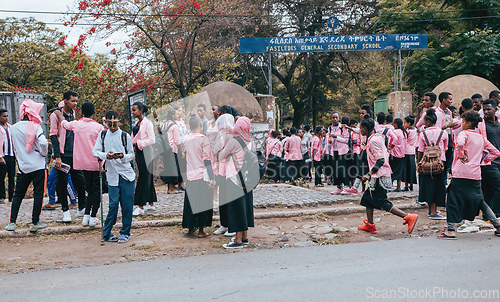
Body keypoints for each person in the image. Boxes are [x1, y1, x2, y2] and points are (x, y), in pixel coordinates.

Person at [440, 111, 500, 239]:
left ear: (468, 123)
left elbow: (460, 144)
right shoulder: (481, 138)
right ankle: (498, 226)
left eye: (462, 122)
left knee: (452, 200)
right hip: (475, 174)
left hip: (461, 173)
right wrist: (483, 160)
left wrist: (461, 156)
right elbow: (495, 153)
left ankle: (450, 230)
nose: (461, 124)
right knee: (481, 202)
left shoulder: (464, 134)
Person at [357, 118, 418, 234]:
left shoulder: (373, 140)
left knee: (381, 202)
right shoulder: (376, 137)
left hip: (380, 176)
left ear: (365, 128)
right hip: (378, 175)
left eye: (361, 128)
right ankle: (370, 225)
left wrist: (369, 174)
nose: (360, 130)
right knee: (367, 199)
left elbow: (380, 160)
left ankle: (408, 217)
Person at [54, 102, 104, 226]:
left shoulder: (77, 124)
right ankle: (92, 217)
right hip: (96, 162)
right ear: (94, 112)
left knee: (89, 190)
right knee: (96, 191)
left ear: (81, 113)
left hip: (82, 163)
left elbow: (64, 124)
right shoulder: (98, 127)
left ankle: (86, 216)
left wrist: (60, 116)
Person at [5, 99, 48, 232]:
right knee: (39, 194)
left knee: (18, 195)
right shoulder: (35, 126)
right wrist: (43, 152)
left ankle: (12, 223)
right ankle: (35, 222)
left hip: (23, 166)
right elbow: (43, 142)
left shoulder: (13, 128)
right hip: (38, 166)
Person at [93, 110, 135, 243]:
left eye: (114, 125)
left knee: (127, 206)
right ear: (105, 123)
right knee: (113, 205)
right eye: (109, 125)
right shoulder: (102, 135)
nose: (112, 128)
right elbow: (95, 152)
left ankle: (125, 232)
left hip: (126, 174)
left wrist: (122, 157)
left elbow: (131, 154)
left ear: (118, 122)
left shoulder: (125, 135)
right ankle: (107, 232)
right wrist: (106, 155)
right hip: (112, 175)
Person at [50, 90, 87, 222]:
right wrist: (58, 156)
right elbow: (53, 135)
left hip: (75, 153)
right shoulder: (56, 115)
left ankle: (82, 208)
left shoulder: (73, 113)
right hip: (63, 154)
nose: (75, 103)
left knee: (81, 182)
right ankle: (65, 211)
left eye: (76, 101)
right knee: (62, 182)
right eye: (73, 101)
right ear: (65, 101)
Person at [219, 117, 255, 249]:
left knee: (236, 209)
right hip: (247, 178)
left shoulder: (234, 141)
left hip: (234, 178)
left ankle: (238, 240)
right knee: (245, 207)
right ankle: (245, 237)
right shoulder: (250, 140)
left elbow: (222, 156)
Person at [182, 115, 214, 237]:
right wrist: (211, 177)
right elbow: (207, 159)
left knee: (191, 202)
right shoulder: (203, 139)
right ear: (200, 126)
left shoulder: (186, 139)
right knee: (203, 202)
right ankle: (201, 230)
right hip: (202, 175)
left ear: (190, 126)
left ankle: (190, 228)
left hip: (190, 174)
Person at [417, 108, 448, 220]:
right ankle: (434, 212)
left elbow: (420, 150)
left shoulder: (423, 133)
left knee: (428, 186)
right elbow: (445, 148)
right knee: (437, 186)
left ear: (428, 122)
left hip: (426, 164)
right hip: (439, 164)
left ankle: (431, 210)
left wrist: (419, 164)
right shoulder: (443, 133)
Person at [130, 102, 158, 216]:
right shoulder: (138, 123)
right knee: (147, 176)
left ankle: (140, 205)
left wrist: (138, 142)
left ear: (141, 111)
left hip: (146, 151)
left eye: (134, 110)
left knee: (143, 177)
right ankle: (150, 203)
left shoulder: (148, 123)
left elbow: (152, 140)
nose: (132, 112)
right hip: (139, 152)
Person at [213, 113, 236, 237]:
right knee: (222, 197)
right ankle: (224, 224)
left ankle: (232, 225)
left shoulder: (235, 135)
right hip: (221, 170)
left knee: (230, 197)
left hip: (232, 171)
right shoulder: (220, 135)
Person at [480, 99, 500, 217]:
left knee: (489, 189)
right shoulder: (481, 125)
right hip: (488, 161)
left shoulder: (498, 123)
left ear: (495, 109)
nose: (486, 112)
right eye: (484, 110)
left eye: (488, 109)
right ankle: (496, 215)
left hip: (499, 161)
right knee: (497, 186)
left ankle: (487, 215)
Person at [163, 108, 184, 194]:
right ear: (172, 115)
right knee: (173, 168)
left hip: (166, 149)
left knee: (168, 167)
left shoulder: (165, 124)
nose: (177, 115)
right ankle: (171, 189)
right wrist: (182, 151)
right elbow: (177, 141)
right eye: (176, 114)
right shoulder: (175, 126)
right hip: (172, 149)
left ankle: (170, 187)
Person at [328, 112, 350, 194]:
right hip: (334, 151)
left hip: (343, 151)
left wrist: (336, 137)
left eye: (336, 117)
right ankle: (338, 186)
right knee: (335, 169)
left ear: (339, 118)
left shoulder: (343, 128)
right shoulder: (330, 128)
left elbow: (346, 140)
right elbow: (329, 138)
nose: (335, 119)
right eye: (333, 118)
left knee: (341, 168)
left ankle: (346, 186)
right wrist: (330, 141)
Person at [0, 108, 15, 204]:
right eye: (4, 116)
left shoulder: (10, 127)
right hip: (3, 155)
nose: (6, 118)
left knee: (12, 177)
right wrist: (0, 156)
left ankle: (11, 196)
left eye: (7, 116)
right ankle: (1, 196)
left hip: (11, 155)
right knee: (1, 177)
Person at [390, 118, 407, 192]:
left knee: (391, 170)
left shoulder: (395, 132)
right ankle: (398, 187)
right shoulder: (404, 132)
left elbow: (392, 141)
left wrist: (389, 148)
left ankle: (389, 187)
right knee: (399, 171)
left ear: (396, 124)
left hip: (394, 153)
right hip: (402, 153)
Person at [403, 115, 417, 191]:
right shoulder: (415, 130)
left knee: (406, 169)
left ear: (408, 123)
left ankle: (406, 185)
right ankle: (411, 185)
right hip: (412, 151)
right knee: (411, 168)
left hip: (406, 151)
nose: (403, 125)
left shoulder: (407, 132)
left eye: (404, 123)